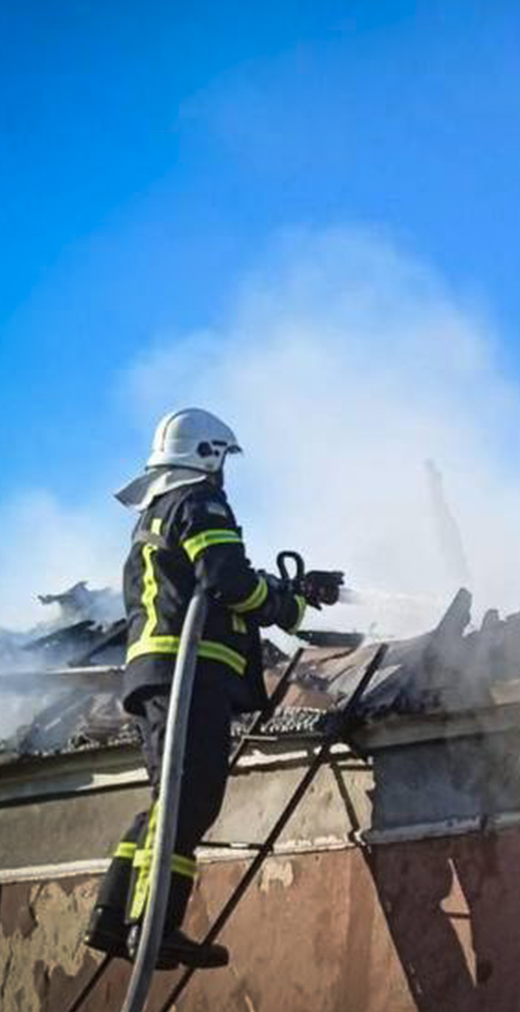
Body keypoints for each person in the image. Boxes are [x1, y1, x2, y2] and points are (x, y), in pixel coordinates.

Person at [83, 408, 341, 968]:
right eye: (225, 459)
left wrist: (287, 588)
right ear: (210, 454)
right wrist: (285, 607)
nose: (226, 471)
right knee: (191, 801)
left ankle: (110, 916)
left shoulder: (161, 508)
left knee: (166, 800)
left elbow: (214, 573)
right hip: (189, 674)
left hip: (158, 675)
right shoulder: (201, 500)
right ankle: (153, 928)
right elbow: (225, 579)